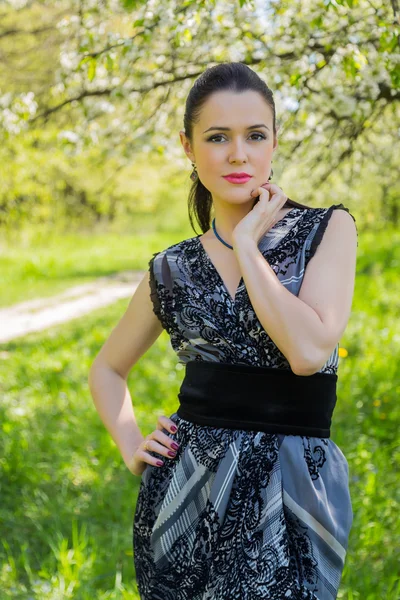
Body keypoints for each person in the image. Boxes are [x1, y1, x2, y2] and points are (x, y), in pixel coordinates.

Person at [88, 62, 358, 599]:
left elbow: (308, 352)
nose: (239, 154)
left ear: (274, 142)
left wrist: (252, 247)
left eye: (255, 135)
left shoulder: (328, 229)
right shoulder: (172, 268)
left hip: (294, 486)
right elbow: (107, 369)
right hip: (183, 494)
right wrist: (130, 445)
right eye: (217, 138)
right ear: (188, 146)